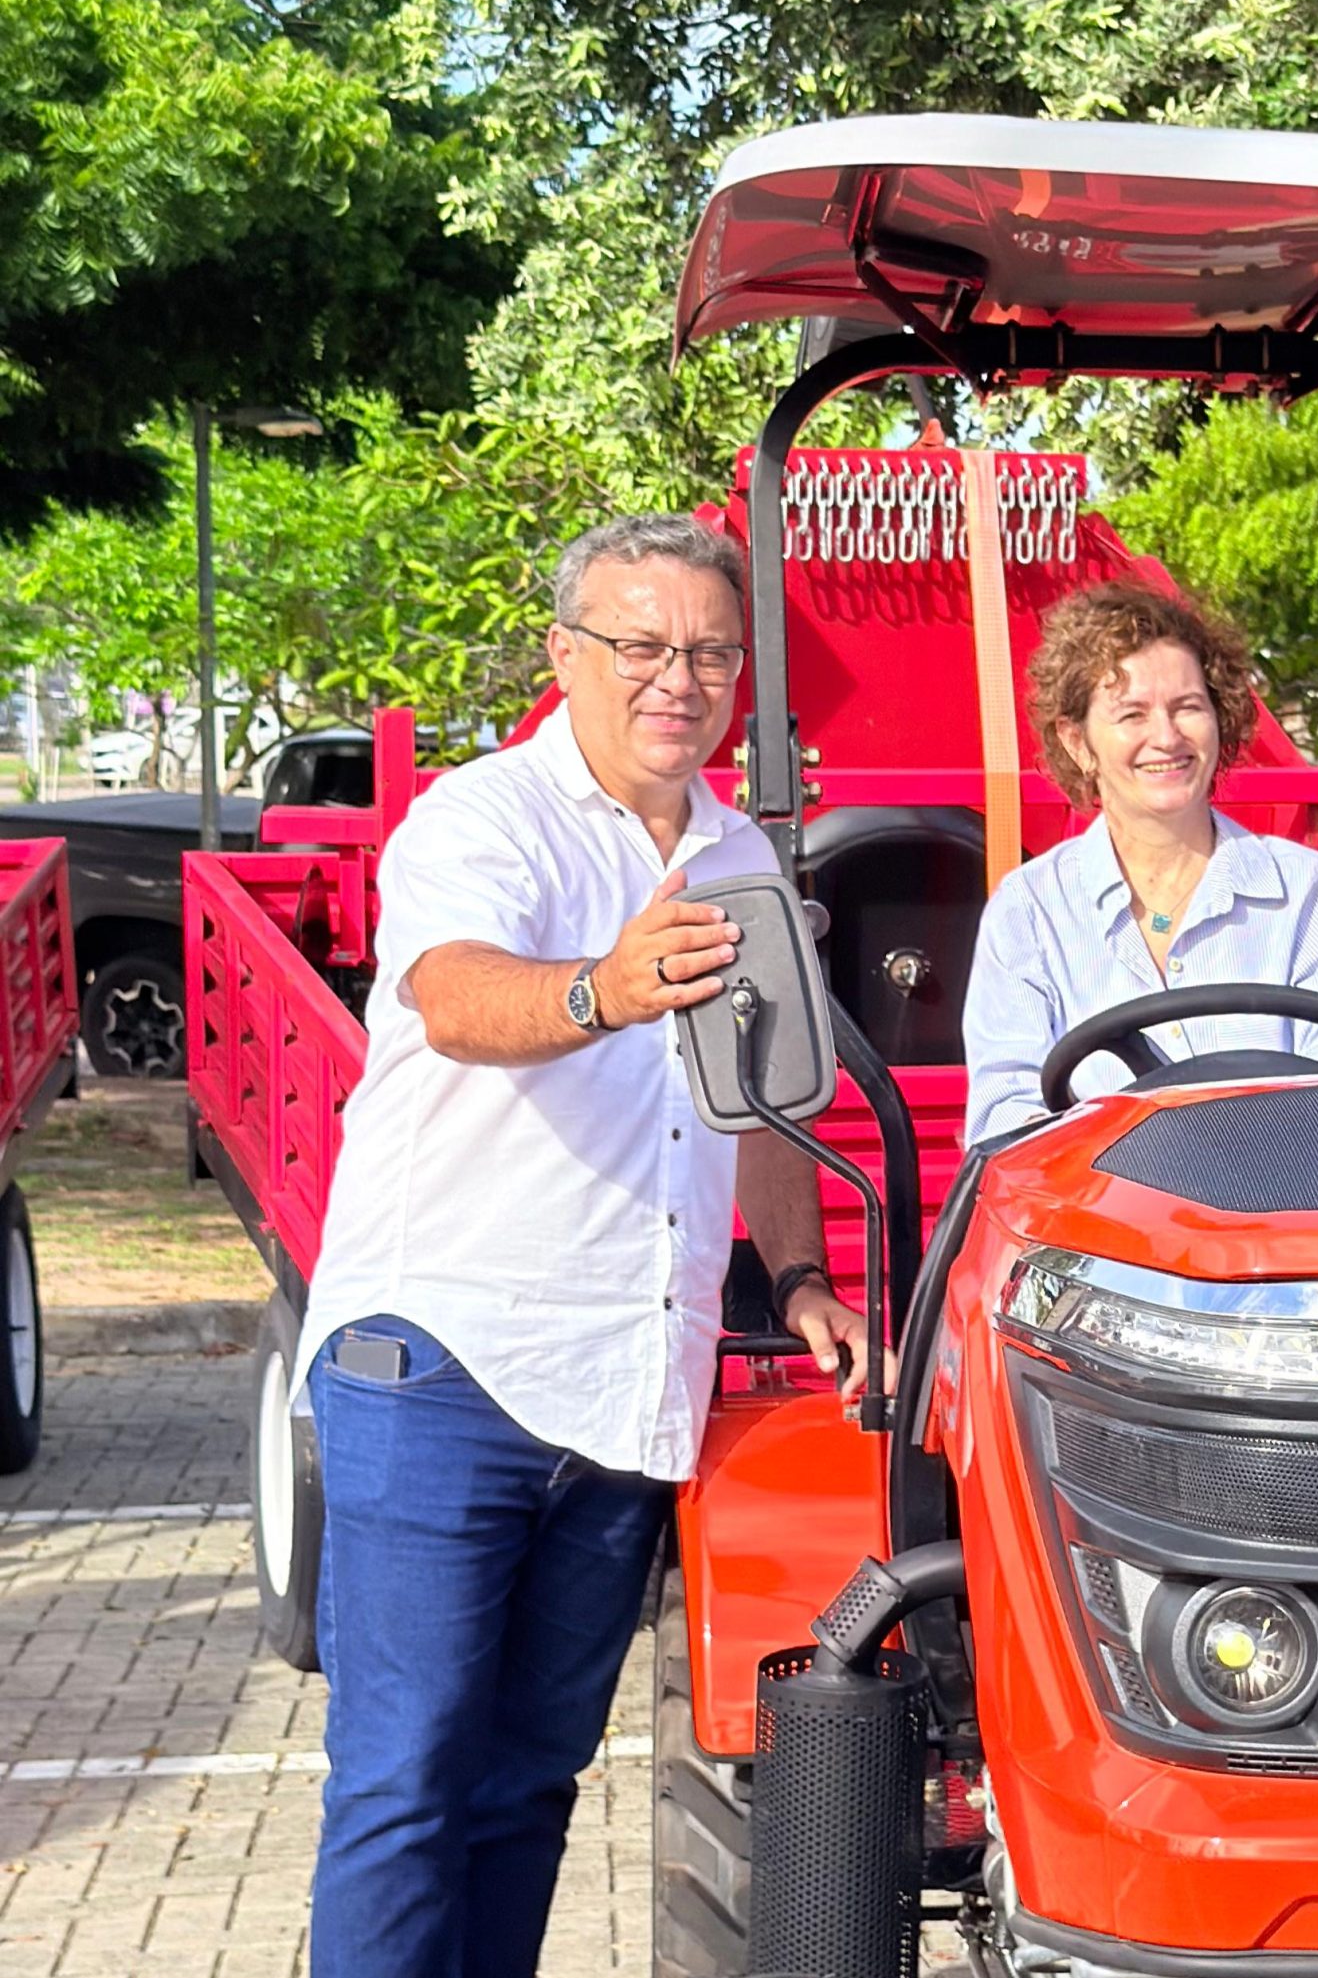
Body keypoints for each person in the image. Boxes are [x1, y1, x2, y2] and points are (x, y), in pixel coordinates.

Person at [296, 514, 869, 1978]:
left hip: (628, 1383)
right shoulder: (482, 818)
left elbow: (758, 1106)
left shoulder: (741, 851)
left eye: (710, 653)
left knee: (529, 1784)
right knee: (405, 1780)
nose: (676, 679)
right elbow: (456, 1001)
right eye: (642, 646)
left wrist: (798, 1274)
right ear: (566, 656)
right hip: (446, 1360)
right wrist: (601, 991)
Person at [963, 580, 1318, 1146]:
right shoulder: (1028, 910)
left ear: (1220, 719)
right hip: (1094, 1223)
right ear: (1077, 742)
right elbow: (1006, 1124)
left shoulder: (1304, 892)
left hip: (1271, 1212)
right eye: (1132, 714)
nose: (1166, 737)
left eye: (1187, 707)